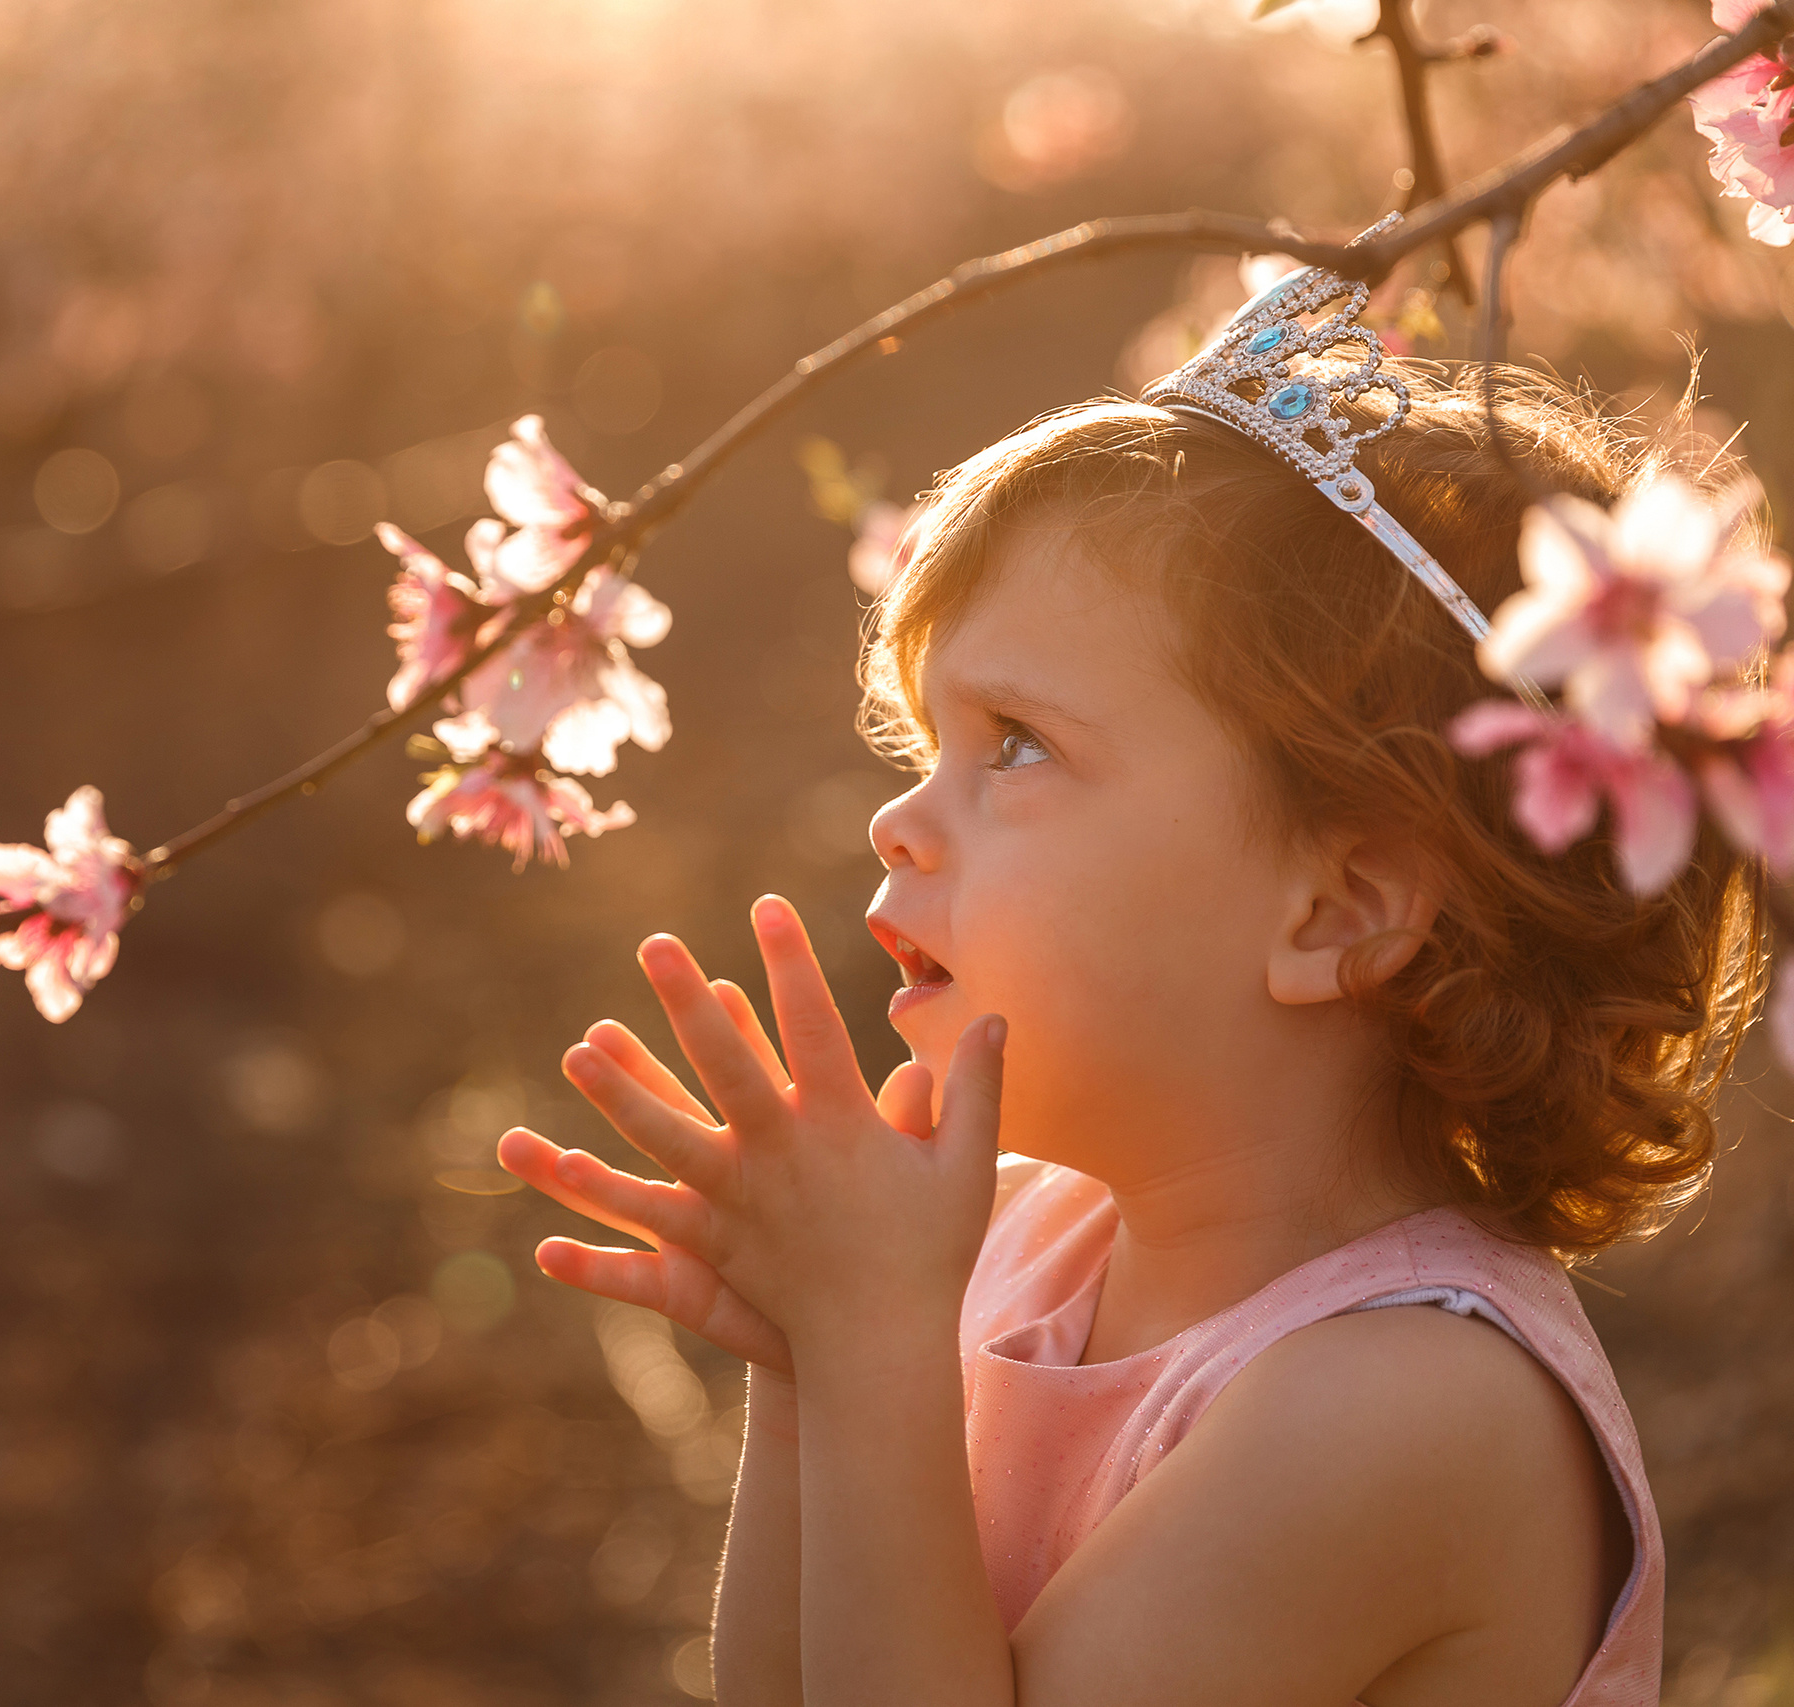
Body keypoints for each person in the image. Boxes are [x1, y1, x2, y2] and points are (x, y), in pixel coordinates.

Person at [493, 259, 1770, 1707]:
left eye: (1017, 744)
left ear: (1338, 908)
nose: (894, 819)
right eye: (926, 749)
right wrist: (809, 1373)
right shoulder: (1023, 1246)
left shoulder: (1404, 1407)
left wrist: (870, 1356)